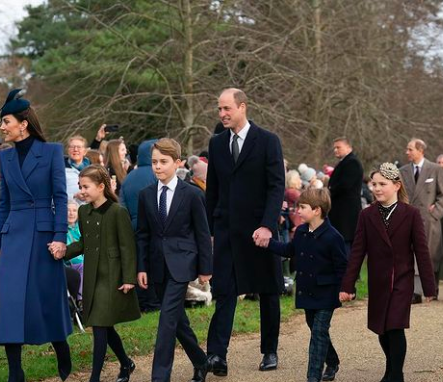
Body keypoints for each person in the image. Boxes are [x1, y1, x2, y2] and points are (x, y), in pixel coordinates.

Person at [0, 89, 72, 382]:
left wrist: (60, 236)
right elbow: (5, 205)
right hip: (13, 236)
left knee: (47, 298)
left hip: (44, 236)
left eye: (6, 121)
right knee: (10, 302)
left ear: (23, 123)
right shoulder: (5, 158)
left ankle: (62, 351)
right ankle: (15, 371)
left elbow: (60, 198)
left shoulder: (51, 152)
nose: (2, 127)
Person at [205, 88, 285, 375]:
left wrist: (267, 224)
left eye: (227, 108)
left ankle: (270, 351)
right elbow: (212, 190)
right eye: (219, 109)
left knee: (267, 291)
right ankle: (216, 355)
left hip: (259, 231)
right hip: (226, 231)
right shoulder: (216, 144)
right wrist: (210, 231)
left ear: (242, 107)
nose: (223, 114)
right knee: (224, 291)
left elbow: (277, 186)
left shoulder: (267, 141)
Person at [340, 163, 436, 382]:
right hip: (378, 281)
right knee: (382, 330)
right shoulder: (367, 215)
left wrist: (429, 286)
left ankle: (396, 374)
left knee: (394, 326)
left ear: (396, 185)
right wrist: (348, 285)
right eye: (374, 184)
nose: (377, 188)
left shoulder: (410, 214)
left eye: (382, 184)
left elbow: (422, 251)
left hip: (402, 280)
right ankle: (390, 369)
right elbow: (357, 252)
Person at [137, 138, 213, 382]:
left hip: (183, 264)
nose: (158, 166)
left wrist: (205, 268)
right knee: (178, 320)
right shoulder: (146, 195)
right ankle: (202, 362)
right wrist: (141, 267)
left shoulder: (191, 194)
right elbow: (143, 235)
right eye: (154, 162)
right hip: (157, 267)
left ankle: (160, 377)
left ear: (178, 163)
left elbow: (203, 233)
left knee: (167, 321)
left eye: (163, 162)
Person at [259, 188, 347, 382]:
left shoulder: (333, 237)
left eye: (302, 207)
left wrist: (346, 289)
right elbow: (290, 250)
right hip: (307, 291)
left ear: (317, 210)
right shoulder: (300, 231)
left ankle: (312, 377)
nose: (297, 210)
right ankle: (332, 361)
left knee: (318, 333)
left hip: (327, 293)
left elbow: (343, 266)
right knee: (316, 329)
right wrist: (268, 243)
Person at [63, 165, 139, 382]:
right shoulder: (83, 211)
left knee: (99, 326)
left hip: (112, 277)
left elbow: (127, 247)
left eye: (86, 186)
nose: (82, 191)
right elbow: (84, 243)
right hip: (92, 277)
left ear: (101, 186)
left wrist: (128, 279)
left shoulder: (118, 212)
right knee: (104, 325)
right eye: (80, 186)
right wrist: (62, 252)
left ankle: (94, 378)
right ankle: (126, 362)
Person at [119, 139, 161, 313]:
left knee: (140, 263)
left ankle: (141, 301)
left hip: (133, 226)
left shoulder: (129, 177)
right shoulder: (156, 174)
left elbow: (122, 205)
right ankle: (154, 302)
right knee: (155, 264)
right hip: (155, 226)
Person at [399, 138, 443, 302]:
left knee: (432, 255)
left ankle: (432, 288)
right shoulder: (402, 171)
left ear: (420, 151)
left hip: (429, 220)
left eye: (410, 149)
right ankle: (415, 293)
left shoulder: (436, 169)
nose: (407, 152)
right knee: (411, 254)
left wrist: (436, 212)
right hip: (409, 219)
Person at [327, 137, 363, 256]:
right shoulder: (345, 162)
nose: (335, 150)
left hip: (346, 213)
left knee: (345, 245)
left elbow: (345, 185)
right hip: (341, 212)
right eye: (334, 148)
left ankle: (348, 273)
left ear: (348, 147)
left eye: (338, 147)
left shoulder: (352, 163)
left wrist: (329, 191)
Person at [65, 200, 84, 299]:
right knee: (84, 267)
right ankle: (81, 300)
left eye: (74, 211)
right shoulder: (61, 230)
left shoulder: (81, 228)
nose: (71, 213)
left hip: (83, 262)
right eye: (68, 210)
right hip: (69, 264)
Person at [64, 135, 91, 203]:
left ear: (85, 151)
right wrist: (74, 196)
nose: (75, 150)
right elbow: (54, 193)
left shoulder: (93, 170)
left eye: (79, 147)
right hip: (69, 211)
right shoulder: (60, 169)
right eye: (72, 147)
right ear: (68, 150)